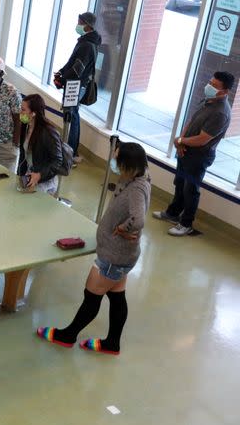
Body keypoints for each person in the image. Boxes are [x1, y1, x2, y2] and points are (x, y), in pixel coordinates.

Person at [37, 142, 151, 355]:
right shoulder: (139, 177)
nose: (114, 163)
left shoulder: (136, 189)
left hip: (114, 256)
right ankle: (112, 343)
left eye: (118, 160)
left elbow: (138, 219)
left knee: (92, 295)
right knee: (117, 297)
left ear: (129, 165)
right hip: (123, 254)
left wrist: (121, 228)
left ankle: (67, 335)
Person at [153, 71, 235, 236]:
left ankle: (186, 223)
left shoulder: (220, 112)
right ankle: (173, 213)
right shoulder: (209, 101)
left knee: (190, 190)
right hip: (185, 152)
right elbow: (191, 120)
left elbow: (203, 139)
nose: (209, 86)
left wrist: (181, 141)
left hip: (198, 158)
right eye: (210, 82)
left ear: (224, 92)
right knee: (180, 184)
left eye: (214, 86)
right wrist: (181, 140)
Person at [54, 12, 101, 165]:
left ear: (87, 25)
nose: (78, 24)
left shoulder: (87, 45)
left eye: (80, 21)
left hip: (76, 85)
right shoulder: (87, 41)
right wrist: (61, 72)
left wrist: (62, 79)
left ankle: (70, 153)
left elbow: (77, 69)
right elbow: (72, 62)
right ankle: (71, 151)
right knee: (73, 115)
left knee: (71, 117)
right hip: (76, 84)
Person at [17, 94, 64, 195]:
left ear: (33, 113)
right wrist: (20, 175)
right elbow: (23, 155)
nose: (20, 112)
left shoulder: (49, 132)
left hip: (45, 181)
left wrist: (39, 175)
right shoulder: (26, 127)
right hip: (30, 175)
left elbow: (57, 161)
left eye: (23, 110)